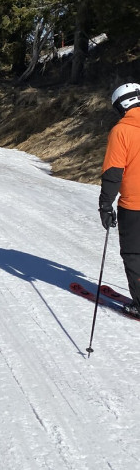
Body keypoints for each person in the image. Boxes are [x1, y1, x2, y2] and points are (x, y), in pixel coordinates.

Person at [99, 82, 140, 318]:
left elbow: (113, 172)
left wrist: (105, 205)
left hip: (134, 205)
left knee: (134, 254)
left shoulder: (121, 130)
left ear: (122, 105)